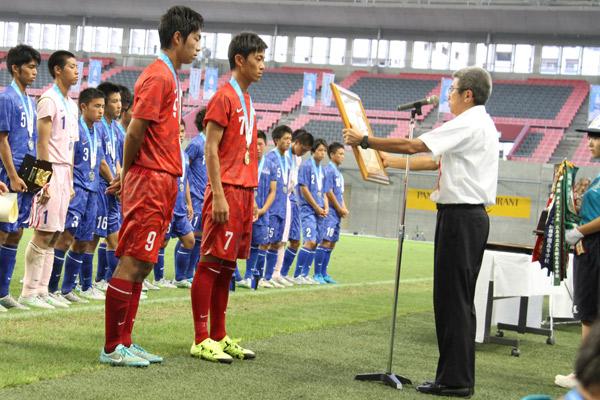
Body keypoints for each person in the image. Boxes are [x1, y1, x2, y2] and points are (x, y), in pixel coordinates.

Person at [343, 66, 498, 397]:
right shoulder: (480, 123)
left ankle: (455, 381)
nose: (449, 96)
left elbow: (414, 147)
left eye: (454, 90)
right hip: (467, 218)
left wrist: (366, 140)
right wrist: (384, 159)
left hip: (461, 217)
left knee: (452, 301)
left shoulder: (468, 121)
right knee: (456, 300)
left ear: (468, 94)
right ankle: (455, 376)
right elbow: (432, 163)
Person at [100, 5, 203, 367]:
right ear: (178, 37)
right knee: (132, 261)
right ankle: (112, 346)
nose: (199, 47)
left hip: (164, 180)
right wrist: (127, 174)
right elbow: (134, 131)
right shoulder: (158, 76)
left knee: (143, 264)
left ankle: (126, 340)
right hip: (149, 178)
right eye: (195, 39)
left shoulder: (171, 76)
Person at [190, 32, 266, 364]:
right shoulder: (223, 97)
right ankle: (200, 338)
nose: (263, 65)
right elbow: (210, 148)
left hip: (244, 192)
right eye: (259, 59)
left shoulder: (246, 100)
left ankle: (219, 335)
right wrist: (218, 195)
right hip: (227, 191)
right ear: (240, 59)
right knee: (209, 262)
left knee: (227, 267)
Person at [19, 50, 80, 310]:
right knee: (43, 232)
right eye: (73, 67)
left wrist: (71, 182)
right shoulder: (48, 100)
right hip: (49, 168)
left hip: (65, 172)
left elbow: (71, 146)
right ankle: (28, 291)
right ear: (57, 70)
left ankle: (43, 290)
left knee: (55, 233)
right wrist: (42, 180)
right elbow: (41, 143)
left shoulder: (72, 104)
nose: (77, 71)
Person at [49, 88, 107, 304]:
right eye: (96, 106)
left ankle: (66, 289)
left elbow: (99, 161)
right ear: (83, 107)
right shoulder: (75, 128)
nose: (100, 111)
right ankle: (51, 289)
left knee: (83, 242)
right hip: (77, 190)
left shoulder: (99, 130)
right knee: (66, 237)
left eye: (102, 106)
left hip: (93, 191)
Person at [555, 115, 600, 389]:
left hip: (595, 248)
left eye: (596, 137)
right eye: (591, 136)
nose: (591, 142)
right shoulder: (596, 176)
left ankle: (586, 376)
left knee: (590, 312)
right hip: (590, 247)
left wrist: (580, 232)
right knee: (590, 312)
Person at [0, 44, 41, 311]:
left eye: (36, 66)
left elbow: (32, 142)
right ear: (16, 68)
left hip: (27, 177)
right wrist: (13, 176)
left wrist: (41, 180)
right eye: (30, 66)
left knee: (16, 233)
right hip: (10, 175)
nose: (35, 71)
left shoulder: (30, 100)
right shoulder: (7, 98)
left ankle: (4, 293)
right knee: (2, 233)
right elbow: (2, 139)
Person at [152, 122, 195, 289]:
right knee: (162, 242)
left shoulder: (184, 155)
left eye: (183, 131)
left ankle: (179, 278)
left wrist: (189, 203)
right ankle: (158, 279)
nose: (181, 135)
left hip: (181, 208)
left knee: (189, 240)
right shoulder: (165, 152)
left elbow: (186, 181)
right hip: (168, 206)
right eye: (178, 132)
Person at [238, 129, 277, 289]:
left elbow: (272, 191)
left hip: (261, 214)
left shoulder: (271, 165)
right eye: (255, 144)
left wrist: (262, 210)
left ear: (265, 145)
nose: (258, 147)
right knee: (236, 243)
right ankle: (235, 275)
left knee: (256, 244)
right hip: (242, 210)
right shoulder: (245, 160)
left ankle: (248, 276)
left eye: (260, 144)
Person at [276, 129, 314, 284]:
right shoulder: (283, 156)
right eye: (302, 149)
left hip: (292, 200)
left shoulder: (297, 159)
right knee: (277, 239)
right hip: (281, 198)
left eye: (306, 151)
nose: (303, 153)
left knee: (293, 240)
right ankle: (271, 273)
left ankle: (281, 273)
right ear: (296, 142)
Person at [258, 125, 292, 288]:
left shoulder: (288, 159)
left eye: (290, 139)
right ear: (276, 140)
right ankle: (261, 276)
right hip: (271, 207)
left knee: (277, 242)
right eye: (285, 139)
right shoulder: (270, 158)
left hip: (282, 207)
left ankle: (269, 276)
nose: (288, 142)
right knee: (266, 242)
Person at [177, 108, 207, 287]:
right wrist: (188, 198)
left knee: (200, 236)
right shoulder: (195, 144)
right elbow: (184, 171)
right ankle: (181, 275)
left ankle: (190, 273)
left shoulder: (212, 144)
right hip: (194, 197)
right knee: (189, 235)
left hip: (205, 198)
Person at [292, 138, 328, 284]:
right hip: (309, 209)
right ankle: (297, 274)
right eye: (320, 150)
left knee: (316, 243)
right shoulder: (307, 166)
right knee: (310, 241)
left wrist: (326, 207)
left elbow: (324, 191)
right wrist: (316, 207)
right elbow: (303, 188)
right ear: (313, 151)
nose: (322, 153)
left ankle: (305, 274)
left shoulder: (322, 170)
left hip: (320, 210)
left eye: (324, 151)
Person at [314, 142, 348, 284]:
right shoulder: (328, 170)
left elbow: (340, 193)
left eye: (343, 154)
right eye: (340, 154)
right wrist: (339, 208)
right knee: (325, 241)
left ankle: (324, 273)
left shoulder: (339, 173)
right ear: (332, 155)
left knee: (332, 243)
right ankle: (317, 274)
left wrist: (344, 207)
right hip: (331, 213)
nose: (342, 156)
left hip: (337, 214)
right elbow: (328, 191)